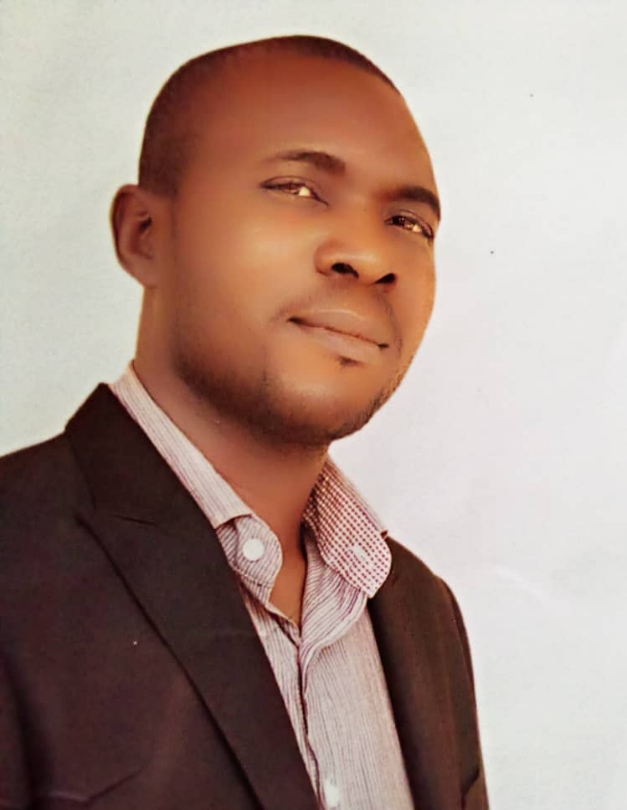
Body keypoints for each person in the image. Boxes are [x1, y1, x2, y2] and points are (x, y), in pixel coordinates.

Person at [0, 35, 488, 810]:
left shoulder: (423, 613)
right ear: (145, 235)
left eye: (409, 222)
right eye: (297, 188)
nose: (370, 254)